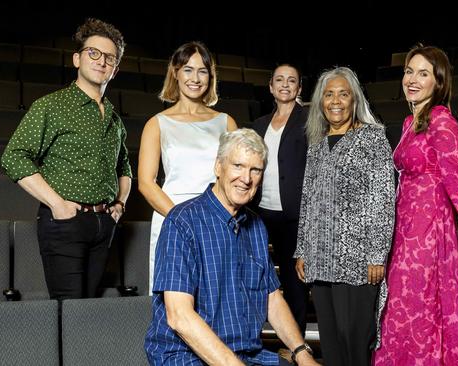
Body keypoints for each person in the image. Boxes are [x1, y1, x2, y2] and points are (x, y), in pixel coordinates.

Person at [372, 44, 458, 365]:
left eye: (424, 73)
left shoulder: (441, 121)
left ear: (439, 82)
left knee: (419, 317)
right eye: (409, 71)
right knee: (401, 318)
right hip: (404, 236)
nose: (413, 79)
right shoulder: (411, 122)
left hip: (427, 239)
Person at [144, 128, 320, 366]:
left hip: (243, 354)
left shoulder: (256, 226)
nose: (246, 179)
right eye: (237, 165)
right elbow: (179, 317)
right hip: (185, 356)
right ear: (218, 167)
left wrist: (302, 353)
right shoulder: (182, 222)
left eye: (255, 170)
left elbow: (272, 300)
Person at [1, 18, 131, 300]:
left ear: (115, 70)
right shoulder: (52, 105)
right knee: (68, 311)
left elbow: (125, 168)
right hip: (64, 222)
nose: (101, 61)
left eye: (109, 58)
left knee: (88, 310)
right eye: (93, 53)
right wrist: (56, 204)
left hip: (103, 224)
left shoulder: (114, 118)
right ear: (77, 58)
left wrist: (120, 203)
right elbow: (14, 157)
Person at [293, 67, 395, 366]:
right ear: (320, 101)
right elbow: (308, 200)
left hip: (358, 259)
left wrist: (377, 253)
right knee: (332, 339)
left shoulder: (373, 138)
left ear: (355, 99)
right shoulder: (316, 145)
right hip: (320, 257)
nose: (335, 100)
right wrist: (302, 250)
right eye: (328, 94)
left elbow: (383, 198)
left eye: (343, 93)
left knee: (355, 339)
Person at [138, 41, 237, 294]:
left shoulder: (226, 123)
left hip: (216, 219)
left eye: (202, 71)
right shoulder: (156, 123)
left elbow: (236, 178)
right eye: (188, 69)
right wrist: (183, 221)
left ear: (210, 76)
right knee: (173, 300)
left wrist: (216, 220)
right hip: (172, 218)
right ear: (175, 72)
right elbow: (146, 183)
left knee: (217, 297)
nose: (195, 78)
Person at [251, 63, 310, 336]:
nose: (285, 84)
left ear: (299, 88)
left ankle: (297, 344)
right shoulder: (259, 124)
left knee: (293, 280)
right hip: (261, 211)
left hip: (294, 214)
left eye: (292, 80)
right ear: (271, 87)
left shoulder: (310, 119)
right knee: (257, 276)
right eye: (279, 80)